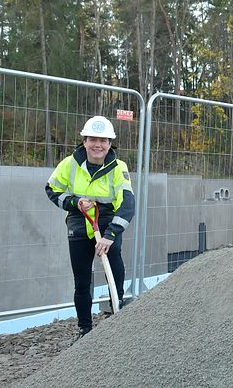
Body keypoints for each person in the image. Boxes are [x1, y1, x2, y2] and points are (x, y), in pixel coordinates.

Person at [45, 115, 136, 339]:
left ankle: (117, 316)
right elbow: (51, 190)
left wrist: (110, 235)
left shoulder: (118, 167)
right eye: (93, 139)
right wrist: (74, 202)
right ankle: (85, 329)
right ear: (84, 141)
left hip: (106, 221)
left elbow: (127, 203)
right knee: (82, 279)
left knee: (114, 267)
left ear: (110, 143)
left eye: (104, 140)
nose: (98, 145)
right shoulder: (69, 164)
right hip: (78, 220)